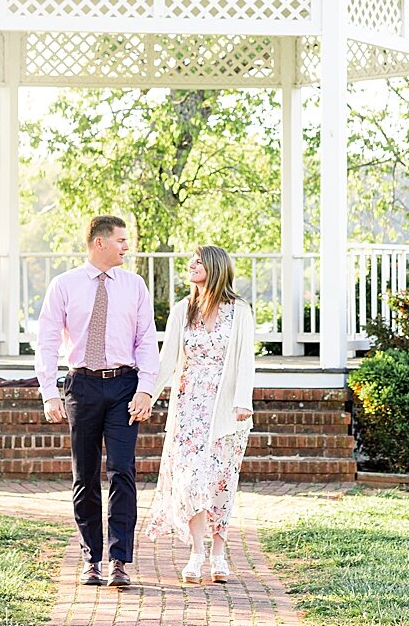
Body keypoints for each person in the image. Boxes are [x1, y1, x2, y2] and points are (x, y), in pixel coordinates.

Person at [37, 215, 159, 589]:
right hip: (82, 387)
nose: (127, 246)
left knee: (122, 471)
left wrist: (146, 388)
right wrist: (49, 392)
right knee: (84, 476)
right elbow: (47, 340)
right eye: (121, 240)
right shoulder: (64, 285)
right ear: (100, 243)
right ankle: (92, 559)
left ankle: (119, 560)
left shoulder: (134, 285)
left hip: (124, 386)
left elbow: (146, 340)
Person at [145, 244, 256, 585]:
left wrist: (243, 401)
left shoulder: (239, 311)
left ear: (215, 267)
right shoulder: (183, 310)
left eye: (198, 261)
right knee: (191, 481)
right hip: (189, 405)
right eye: (190, 260)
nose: (191, 264)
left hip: (226, 410)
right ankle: (196, 551)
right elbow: (167, 360)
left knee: (220, 481)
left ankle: (219, 552)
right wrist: (148, 394)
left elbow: (244, 361)